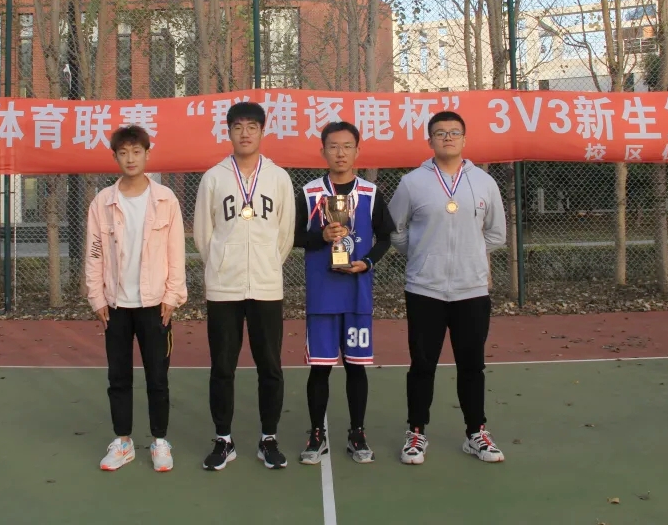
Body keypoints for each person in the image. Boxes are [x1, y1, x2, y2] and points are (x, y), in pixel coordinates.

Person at [388, 110, 507, 465]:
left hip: (472, 290)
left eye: (454, 132)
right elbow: (395, 230)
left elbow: (497, 234)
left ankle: (476, 433)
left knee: (472, 365)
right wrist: (423, 255)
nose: (448, 138)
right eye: (440, 133)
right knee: (422, 365)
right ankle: (416, 433)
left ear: (465, 139)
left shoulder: (484, 182)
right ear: (430, 141)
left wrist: (471, 257)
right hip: (425, 289)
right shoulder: (412, 183)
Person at [194, 101, 296, 470]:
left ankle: (269, 438)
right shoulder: (214, 177)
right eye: (238, 126)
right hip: (224, 287)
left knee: (270, 366)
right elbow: (203, 234)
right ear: (229, 132)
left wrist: (267, 263)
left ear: (262, 131)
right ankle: (224, 439)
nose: (245, 133)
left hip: (266, 287)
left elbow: (285, 233)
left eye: (252, 126)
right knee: (223, 366)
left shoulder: (278, 178)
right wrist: (222, 263)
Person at [85, 125, 187, 473]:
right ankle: (123, 441)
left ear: (147, 154)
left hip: (155, 304)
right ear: (115, 157)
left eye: (137, 152)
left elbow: (176, 251)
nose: (130, 158)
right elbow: (94, 252)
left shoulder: (166, 199)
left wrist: (172, 295)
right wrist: (96, 297)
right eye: (123, 152)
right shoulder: (102, 202)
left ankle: (160, 441)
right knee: (118, 378)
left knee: (157, 378)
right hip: (115, 306)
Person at [295, 121, 394, 465]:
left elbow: (385, 237)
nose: (340, 153)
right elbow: (294, 236)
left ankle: (357, 433)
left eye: (347, 146)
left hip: (356, 295)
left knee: (356, 367)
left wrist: (367, 262)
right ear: (323, 151)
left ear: (357, 151)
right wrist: (319, 236)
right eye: (333, 146)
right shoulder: (310, 193)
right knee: (320, 369)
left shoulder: (370, 193)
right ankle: (316, 435)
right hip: (322, 296)